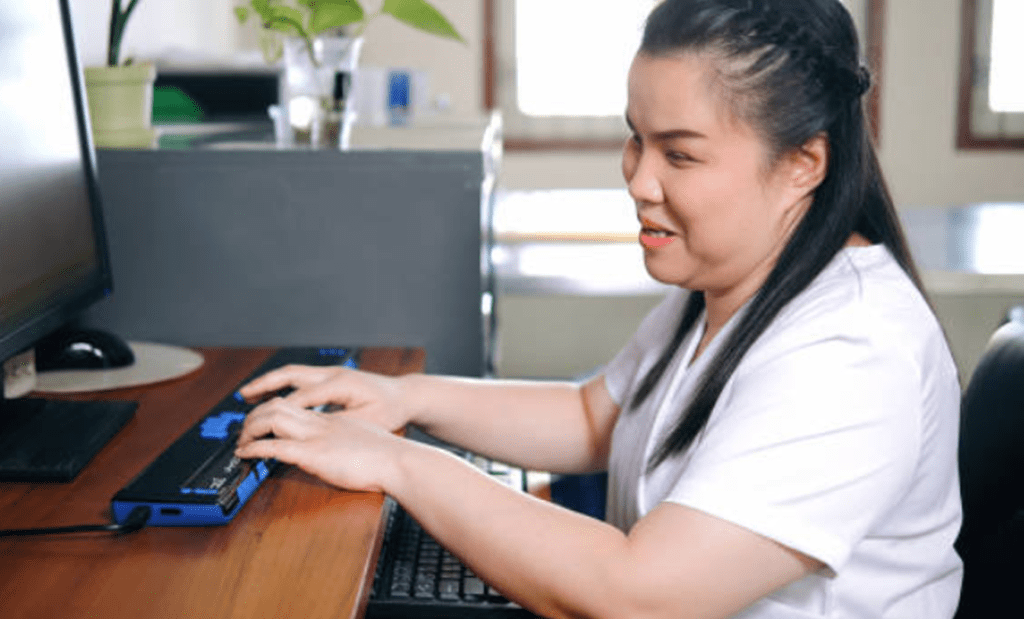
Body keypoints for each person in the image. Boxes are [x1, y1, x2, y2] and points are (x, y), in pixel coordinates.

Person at [235, 0, 963, 617]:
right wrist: (404, 398)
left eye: (680, 155)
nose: (639, 180)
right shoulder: (731, 281)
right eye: (636, 139)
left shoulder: (853, 350)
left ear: (803, 163)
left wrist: (399, 463)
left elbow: (638, 595)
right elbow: (595, 417)